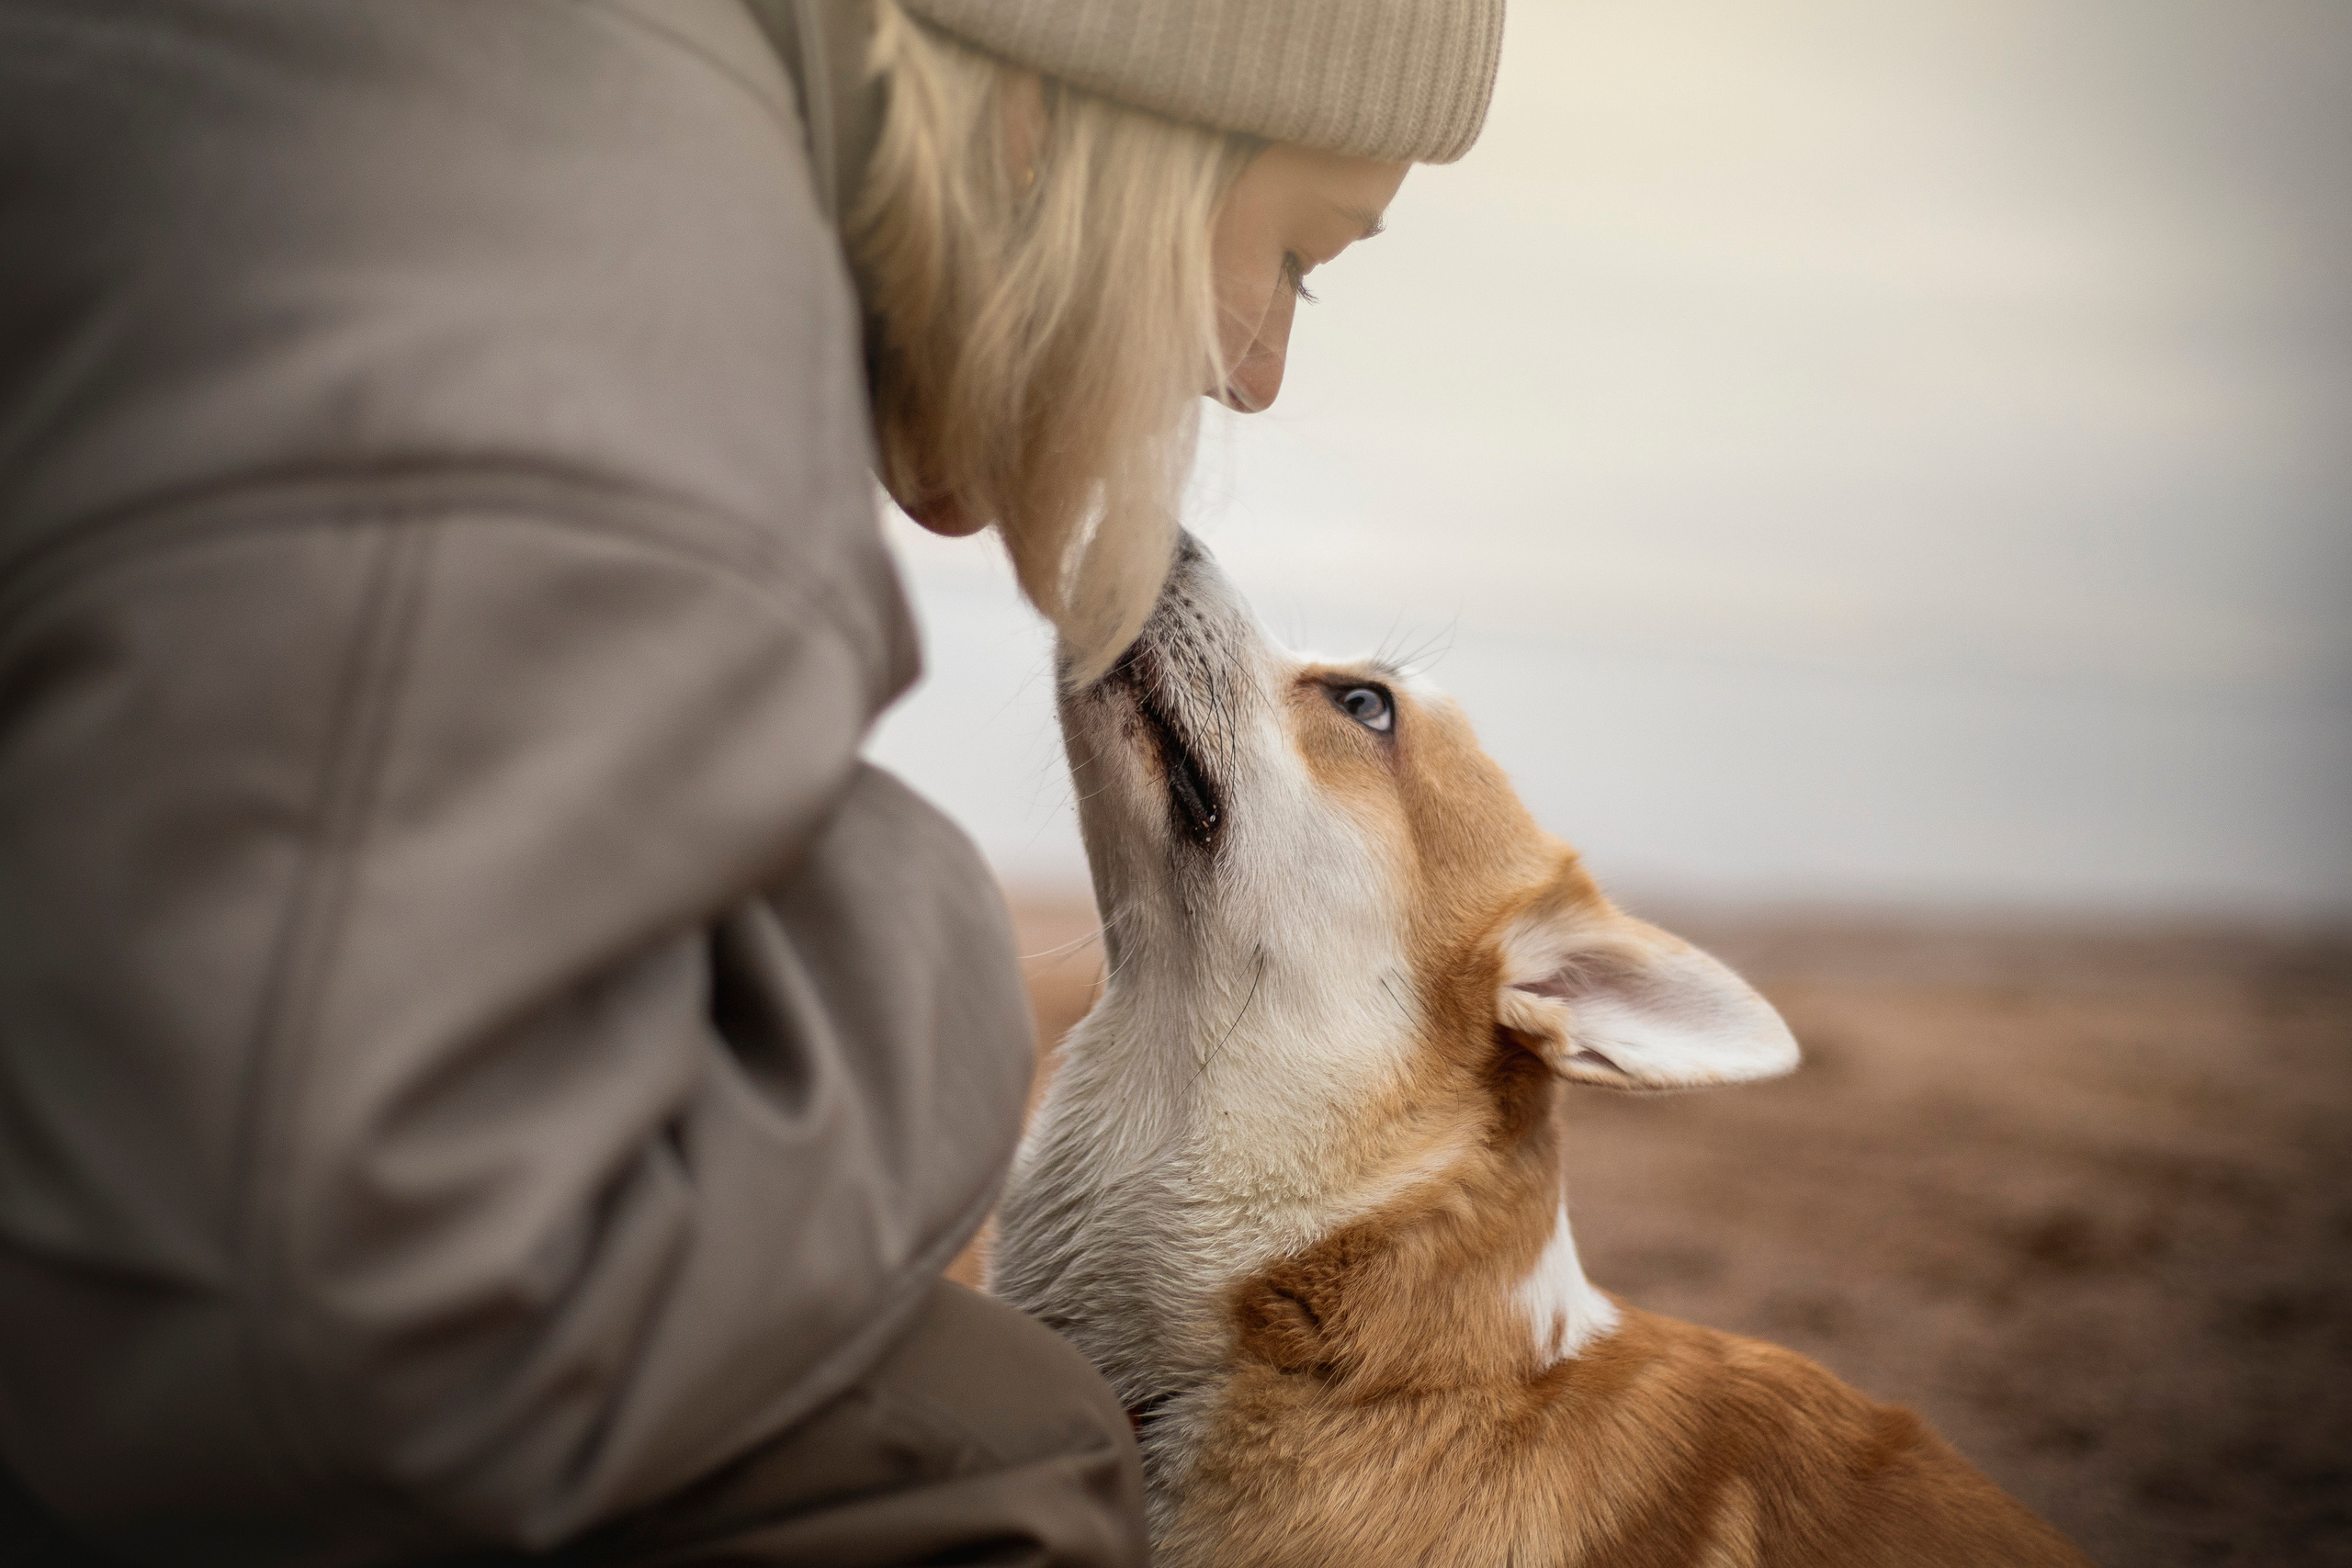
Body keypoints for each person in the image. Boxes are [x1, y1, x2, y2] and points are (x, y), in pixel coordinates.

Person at [0, 0, 1502, 1562]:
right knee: (1003, 1464)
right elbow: (314, 1314)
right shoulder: (631, 346)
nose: (1258, 373)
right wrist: (918, 950)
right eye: (1300, 256)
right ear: (1070, 107)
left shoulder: (581, 129)